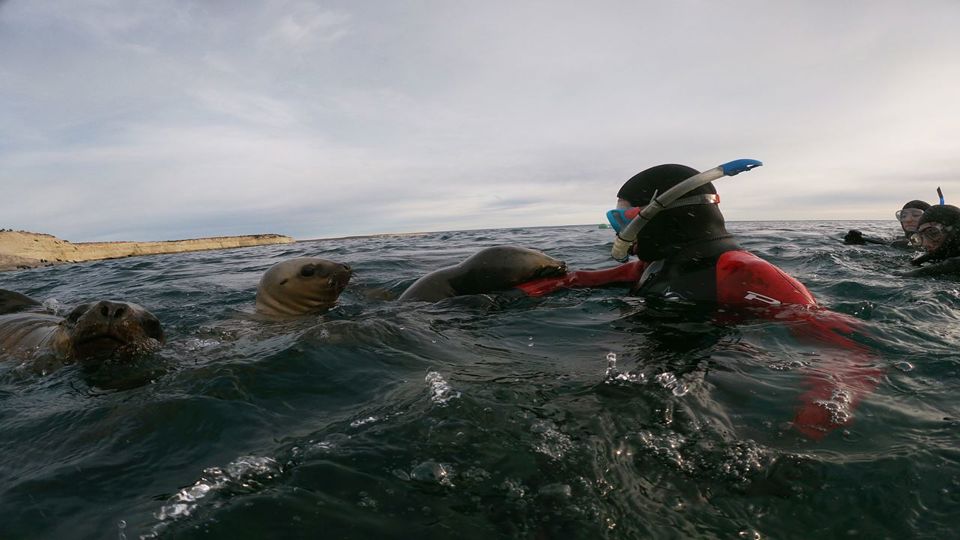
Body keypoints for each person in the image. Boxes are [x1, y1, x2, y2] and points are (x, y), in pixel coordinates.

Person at [517, 163, 881, 440]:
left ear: (663, 215)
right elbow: (577, 281)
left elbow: (850, 355)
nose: (618, 230)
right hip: (655, 382)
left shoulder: (742, 271)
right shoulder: (650, 267)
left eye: (622, 217)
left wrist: (804, 434)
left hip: (724, 390)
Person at [900, 204, 960, 277]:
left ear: (955, 232)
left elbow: (954, 263)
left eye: (933, 233)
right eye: (920, 237)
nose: (925, 243)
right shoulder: (940, 253)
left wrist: (917, 273)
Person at [843, 199, 931, 247]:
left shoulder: (935, 243)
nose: (908, 220)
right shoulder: (897, 239)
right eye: (903, 216)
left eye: (915, 215)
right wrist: (861, 240)